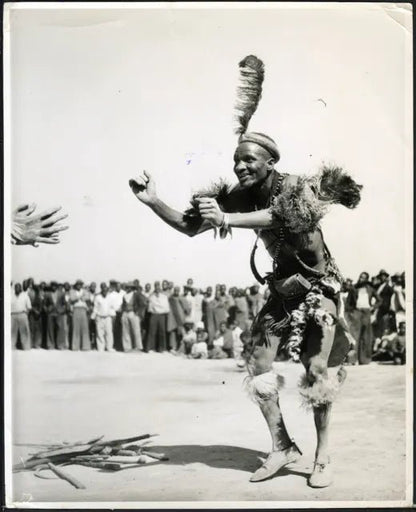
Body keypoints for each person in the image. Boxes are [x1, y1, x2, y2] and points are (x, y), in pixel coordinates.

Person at [129, 54, 362, 487]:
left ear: (270, 162)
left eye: (249, 161)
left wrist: (227, 220)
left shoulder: (297, 188)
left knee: (315, 370)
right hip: (282, 292)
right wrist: (154, 201)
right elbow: (189, 226)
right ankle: (282, 445)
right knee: (256, 361)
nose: (240, 167)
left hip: (319, 289)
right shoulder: (240, 194)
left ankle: (322, 455)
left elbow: (281, 218)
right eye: (237, 161)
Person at [351, 272, 381, 365]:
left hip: (366, 313)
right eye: (360, 277)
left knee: (366, 336)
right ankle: (353, 359)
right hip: (356, 312)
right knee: (356, 336)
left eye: (363, 278)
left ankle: (364, 360)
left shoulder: (370, 289)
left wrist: (373, 307)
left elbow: (380, 300)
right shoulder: (354, 288)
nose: (361, 279)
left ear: (366, 279)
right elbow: (349, 303)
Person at [44, 281, 69, 349]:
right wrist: (47, 310)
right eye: (52, 286)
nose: (53, 287)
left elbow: (65, 304)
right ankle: (50, 345)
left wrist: (62, 310)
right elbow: (44, 304)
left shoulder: (61, 294)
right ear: (51, 286)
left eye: (55, 286)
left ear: (57, 287)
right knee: (50, 329)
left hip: (59, 313)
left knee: (60, 329)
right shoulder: (47, 294)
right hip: (51, 313)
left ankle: (60, 345)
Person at [146, 281, 170, 352]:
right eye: (156, 286)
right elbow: (150, 307)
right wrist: (155, 310)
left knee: (162, 332)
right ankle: (150, 348)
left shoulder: (164, 297)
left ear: (160, 288)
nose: (157, 288)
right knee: (152, 331)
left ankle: (161, 348)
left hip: (162, 315)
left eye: (158, 286)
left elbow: (166, 307)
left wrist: (160, 309)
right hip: (154, 315)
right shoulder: (151, 296)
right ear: (154, 287)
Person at [92, 282, 115, 352]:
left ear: (107, 289)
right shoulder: (97, 297)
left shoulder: (110, 297)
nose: (104, 290)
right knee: (100, 333)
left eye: (105, 288)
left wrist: (113, 316)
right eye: (103, 288)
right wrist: (93, 317)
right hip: (99, 317)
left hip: (108, 317)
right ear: (101, 289)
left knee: (109, 333)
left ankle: (109, 347)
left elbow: (112, 308)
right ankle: (100, 347)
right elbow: (95, 308)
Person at [121, 282, 143, 352]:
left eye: (129, 287)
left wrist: (138, 313)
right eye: (127, 287)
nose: (128, 288)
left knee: (136, 331)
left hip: (133, 313)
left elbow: (143, 303)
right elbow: (123, 306)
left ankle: (138, 347)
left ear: (132, 288)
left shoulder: (136, 295)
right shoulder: (124, 296)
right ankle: (127, 347)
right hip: (125, 313)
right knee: (125, 331)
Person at [69, 280, 90, 350]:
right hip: (76, 309)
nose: (79, 286)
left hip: (83, 309)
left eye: (80, 284)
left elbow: (87, 298)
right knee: (76, 328)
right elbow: (72, 299)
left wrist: (79, 297)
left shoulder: (85, 291)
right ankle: (75, 346)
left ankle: (85, 346)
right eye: (78, 284)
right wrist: (79, 297)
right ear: (75, 285)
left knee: (84, 328)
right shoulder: (72, 291)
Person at [11, 282, 32, 350]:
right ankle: (12, 346)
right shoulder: (11, 295)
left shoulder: (25, 295)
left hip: (22, 314)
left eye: (19, 287)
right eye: (16, 287)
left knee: (24, 332)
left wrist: (26, 314)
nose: (17, 288)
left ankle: (26, 347)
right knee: (12, 332)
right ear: (14, 288)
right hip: (13, 315)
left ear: (21, 288)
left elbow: (29, 307)